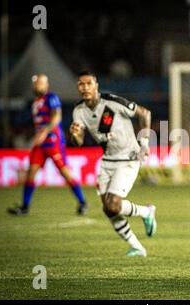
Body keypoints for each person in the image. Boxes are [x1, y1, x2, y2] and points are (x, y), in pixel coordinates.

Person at [70, 71, 156, 257]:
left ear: (96, 85)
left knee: (112, 205)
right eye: (81, 84)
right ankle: (137, 247)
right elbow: (78, 142)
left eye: (88, 83)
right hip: (107, 160)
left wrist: (144, 144)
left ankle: (146, 212)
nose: (84, 87)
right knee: (108, 209)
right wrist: (75, 135)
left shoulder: (112, 102)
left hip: (128, 158)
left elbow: (144, 113)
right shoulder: (78, 111)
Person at [8, 74, 87, 215]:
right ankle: (25, 207)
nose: (37, 85)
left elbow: (56, 117)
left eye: (40, 83)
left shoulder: (52, 98)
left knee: (64, 172)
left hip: (52, 141)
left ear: (46, 85)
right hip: (40, 143)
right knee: (31, 173)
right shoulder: (35, 102)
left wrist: (44, 132)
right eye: (36, 83)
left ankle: (82, 202)